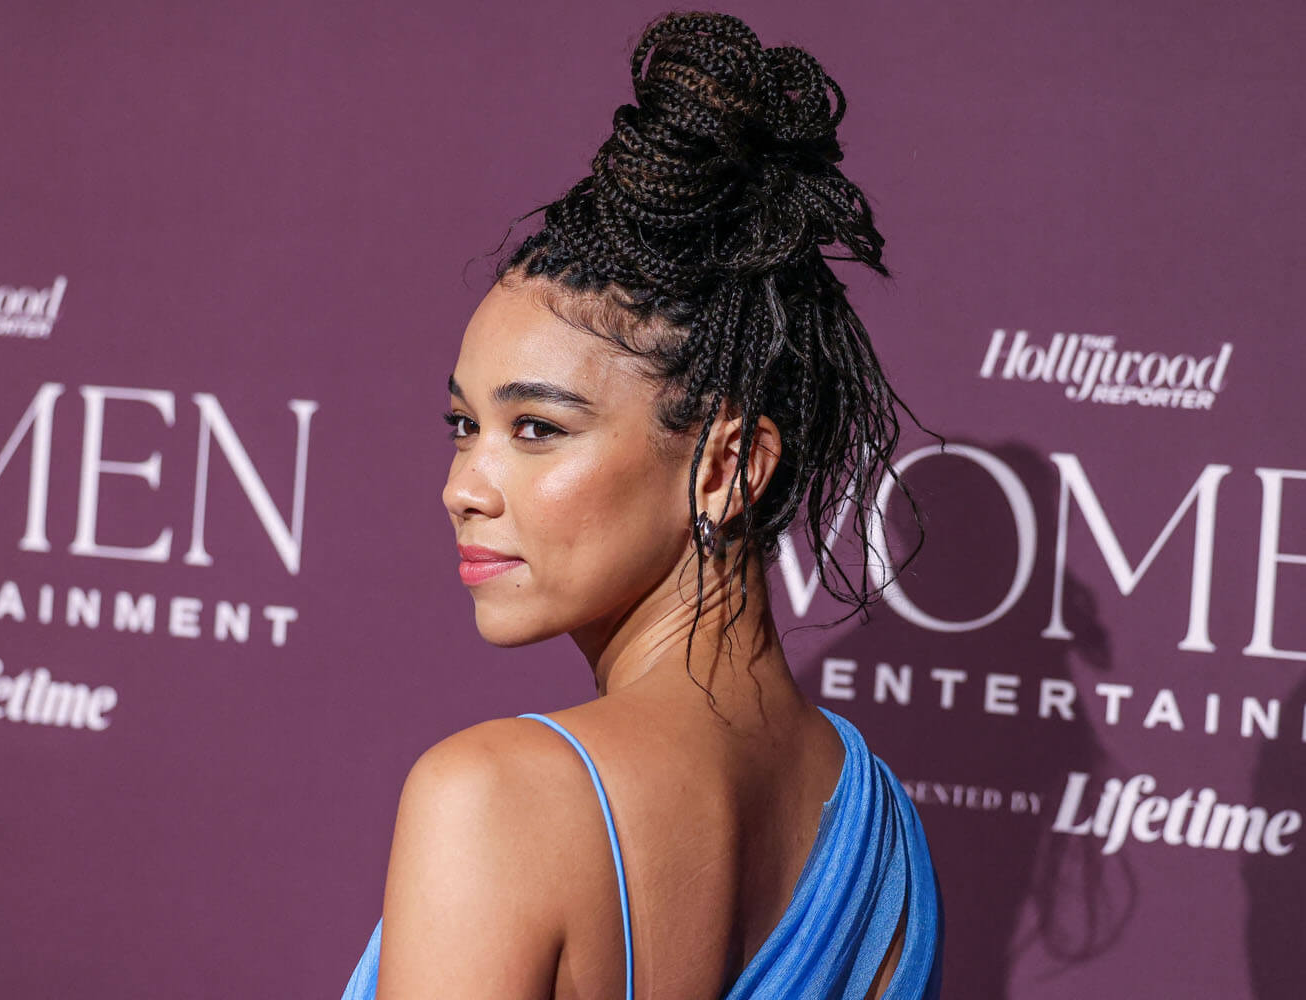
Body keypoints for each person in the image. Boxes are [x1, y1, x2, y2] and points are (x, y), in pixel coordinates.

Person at [343, 10, 945, 999]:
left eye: (537, 428)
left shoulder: (493, 799)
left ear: (726, 467)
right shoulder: (887, 840)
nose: (463, 488)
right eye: (463, 424)